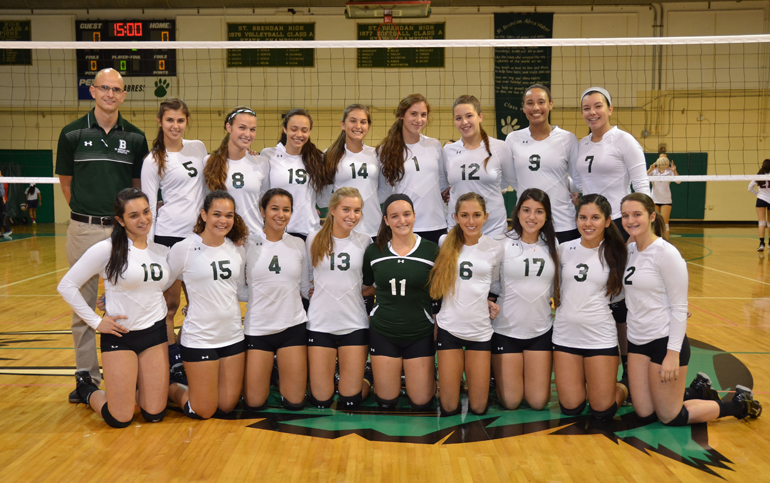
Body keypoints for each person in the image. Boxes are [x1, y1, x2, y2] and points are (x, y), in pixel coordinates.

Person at [621, 192, 762, 425]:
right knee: (644, 411)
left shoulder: (666, 253)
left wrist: (672, 354)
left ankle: (738, 404)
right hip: (637, 340)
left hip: (663, 342)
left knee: (669, 416)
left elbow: (679, 307)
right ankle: (698, 391)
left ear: (652, 216)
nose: (630, 220)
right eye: (626, 215)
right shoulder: (630, 251)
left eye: (637, 214)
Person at [55, 68, 149, 403]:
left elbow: (138, 187)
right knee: (81, 302)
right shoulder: (71, 134)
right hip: (83, 228)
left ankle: (128, 371)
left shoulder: (136, 137)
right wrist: (87, 216)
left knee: (126, 301)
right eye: (104, 88)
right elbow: (66, 183)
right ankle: (86, 376)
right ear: (93, 91)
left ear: (124, 95)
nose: (110, 94)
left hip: (121, 232)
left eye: (117, 90)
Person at [57, 188, 170, 427]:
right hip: (120, 336)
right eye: (134, 215)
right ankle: (87, 391)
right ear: (120, 220)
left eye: (146, 212)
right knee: (120, 417)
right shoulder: (106, 249)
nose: (143, 219)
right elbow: (66, 285)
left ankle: (136, 388)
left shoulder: (160, 248)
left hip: (155, 334)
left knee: (155, 414)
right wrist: (97, 322)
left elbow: (152, 287)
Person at [167, 191, 248, 419]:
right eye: (217, 214)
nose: (223, 220)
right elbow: (159, 284)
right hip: (200, 338)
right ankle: (167, 386)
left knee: (226, 406)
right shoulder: (183, 248)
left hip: (232, 336)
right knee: (203, 410)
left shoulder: (237, 248)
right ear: (203, 215)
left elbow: (240, 290)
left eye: (229, 215)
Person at [140, 97, 208, 375]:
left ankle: (191, 348)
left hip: (198, 237)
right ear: (160, 122)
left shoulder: (198, 148)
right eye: (170, 120)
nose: (175, 125)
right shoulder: (153, 159)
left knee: (199, 300)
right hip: (168, 237)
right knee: (170, 304)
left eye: (180, 120)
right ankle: (173, 358)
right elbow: (147, 206)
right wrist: (148, 246)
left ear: (187, 121)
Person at [552, 194, 628, 420]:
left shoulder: (618, 252)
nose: (588, 223)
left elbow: (637, 287)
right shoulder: (563, 249)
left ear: (607, 221)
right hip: (565, 336)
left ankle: (626, 385)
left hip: (599, 337)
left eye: (595, 217)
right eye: (583, 217)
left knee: (602, 410)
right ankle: (590, 385)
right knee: (571, 408)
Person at [429, 192, 503, 416]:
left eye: (476, 215)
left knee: (479, 407)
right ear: (455, 217)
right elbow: (436, 284)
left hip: (480, 332)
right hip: (449, 328)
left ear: (486, 216)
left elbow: (495, 285)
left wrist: (491, 302)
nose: (471, 221)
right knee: (449, 406)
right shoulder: (444, 242)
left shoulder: (495, 248)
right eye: (465, 215)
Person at [363, 194, 438, 410]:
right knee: (386, 401)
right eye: (394, 216)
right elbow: (366, 288)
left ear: (414, 216)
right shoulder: (374, 251)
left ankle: (429, 380)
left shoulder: (431, 250)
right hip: (384, 331)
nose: (401, 221)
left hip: (419, 332)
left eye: (406, 214)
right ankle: (371, 373)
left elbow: (438, 292)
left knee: (421, 402)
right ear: (386, 220)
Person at [242, 188, 311, 411]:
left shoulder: (299, 244)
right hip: (258, 329)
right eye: (274, 209)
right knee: (254, 403)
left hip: (292, 327)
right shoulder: (247, 244)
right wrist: (260, 297)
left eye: (286, 210)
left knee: (295, 402)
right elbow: (239, 290)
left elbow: (304, 287)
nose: (280, 214)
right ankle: (270, 377)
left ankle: (284, 379)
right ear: (262, 211)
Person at [492, 188, 560, 411]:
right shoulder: (501, 244)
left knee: (538, 402)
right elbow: (489, 284)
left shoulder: (553, 245)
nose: (532, 217)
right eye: (527, 210)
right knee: (511, 402)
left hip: (539, 331)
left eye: (539, 211)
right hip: (506, 331)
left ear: (547, 216)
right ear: (518, 213)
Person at [306, 187, 372, 409]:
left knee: (350, 401)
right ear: (332, 209)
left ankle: (367, 378)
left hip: (353, 324)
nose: (351, 216)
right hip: (320, 324)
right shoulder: (313, 238)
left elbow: (369, 283)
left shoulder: (365, 241)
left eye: (357, 210)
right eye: (346, 209)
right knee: (321, 401)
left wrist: (351, 291)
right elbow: (306, 278)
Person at [505, 84, 581, 243]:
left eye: (541, 102)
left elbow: (579, 179)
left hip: (561, 223)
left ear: (550, 104)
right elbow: (511, 179)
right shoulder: (513, 139)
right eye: (530, 103)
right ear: (523, 107)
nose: (535, 108)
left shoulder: (567, 139)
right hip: (528, 223)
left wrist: (573, 191)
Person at [574, 87, 651, 241]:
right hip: (589, 221)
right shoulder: (582, 144)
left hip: (617, 219)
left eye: (598, 106)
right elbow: (581, 183)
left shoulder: (624, 140)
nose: (592, 112)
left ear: (610, 110)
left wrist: (643, 226)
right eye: (586, 108)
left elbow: (641, 185)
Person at [377, 94, 449, 244]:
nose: (419, 120)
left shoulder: (434, 145)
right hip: (403, 226)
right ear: (402, 115)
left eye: (423, 115)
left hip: (436, 224)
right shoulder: (385, 150)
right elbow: (384, 190)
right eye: (413, 114)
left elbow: (442, 182)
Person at [444, 95, 515, 237]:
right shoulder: (448, 151)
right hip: (458, 229)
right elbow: (443, 185)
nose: (464, 122)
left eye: (469, 116)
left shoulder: (500, 147)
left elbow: (512, 182)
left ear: (480, 117)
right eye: (458, 118)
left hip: (493, 229)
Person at [320, 104, 388, 238]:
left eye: (363, 122)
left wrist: (366, 202)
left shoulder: (377, 154)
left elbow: (386, 190)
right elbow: (323, 196)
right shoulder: (329, 155)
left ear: (368, 126)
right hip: (343, 228)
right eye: (353, 121)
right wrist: (344, 208)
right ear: (343, 125)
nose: (358, 126)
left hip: (373, 227)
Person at [262, 109, 329, 241]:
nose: (299, 134)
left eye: (304, 130)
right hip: (277, 230)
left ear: (309, 132)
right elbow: (262, 194)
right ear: (285, 129)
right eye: (294, 129)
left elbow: (323, 200)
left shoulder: (317, 158)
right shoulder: (268, 155)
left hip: (309, 231)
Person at [204, 106, 270, 237]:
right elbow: (204, 200)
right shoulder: (209, 161)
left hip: (253, 236)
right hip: (222, 236)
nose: (247, 134)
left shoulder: (261, 163)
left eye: (252, 129)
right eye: (242, 127)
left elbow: (264, 201)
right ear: (229, 127)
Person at [647, 155, 680, 240]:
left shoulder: (670, 171)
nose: (663, 160)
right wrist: (650, 169)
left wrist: (674, 171)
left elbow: (678, 181)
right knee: (653, 223)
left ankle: (666, 243)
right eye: (661, 158)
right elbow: (643, 179)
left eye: (665, 158)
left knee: (665, 224)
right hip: (654, 199)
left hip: (666, 200)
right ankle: (653, 241)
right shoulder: (653, 171)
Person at [749, 159, 770, 251]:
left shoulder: (758, 176)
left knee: (762, 222)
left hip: (761, 200)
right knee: (769, 223)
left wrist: (758, 194)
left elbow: (749, 188)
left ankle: (761, 244)